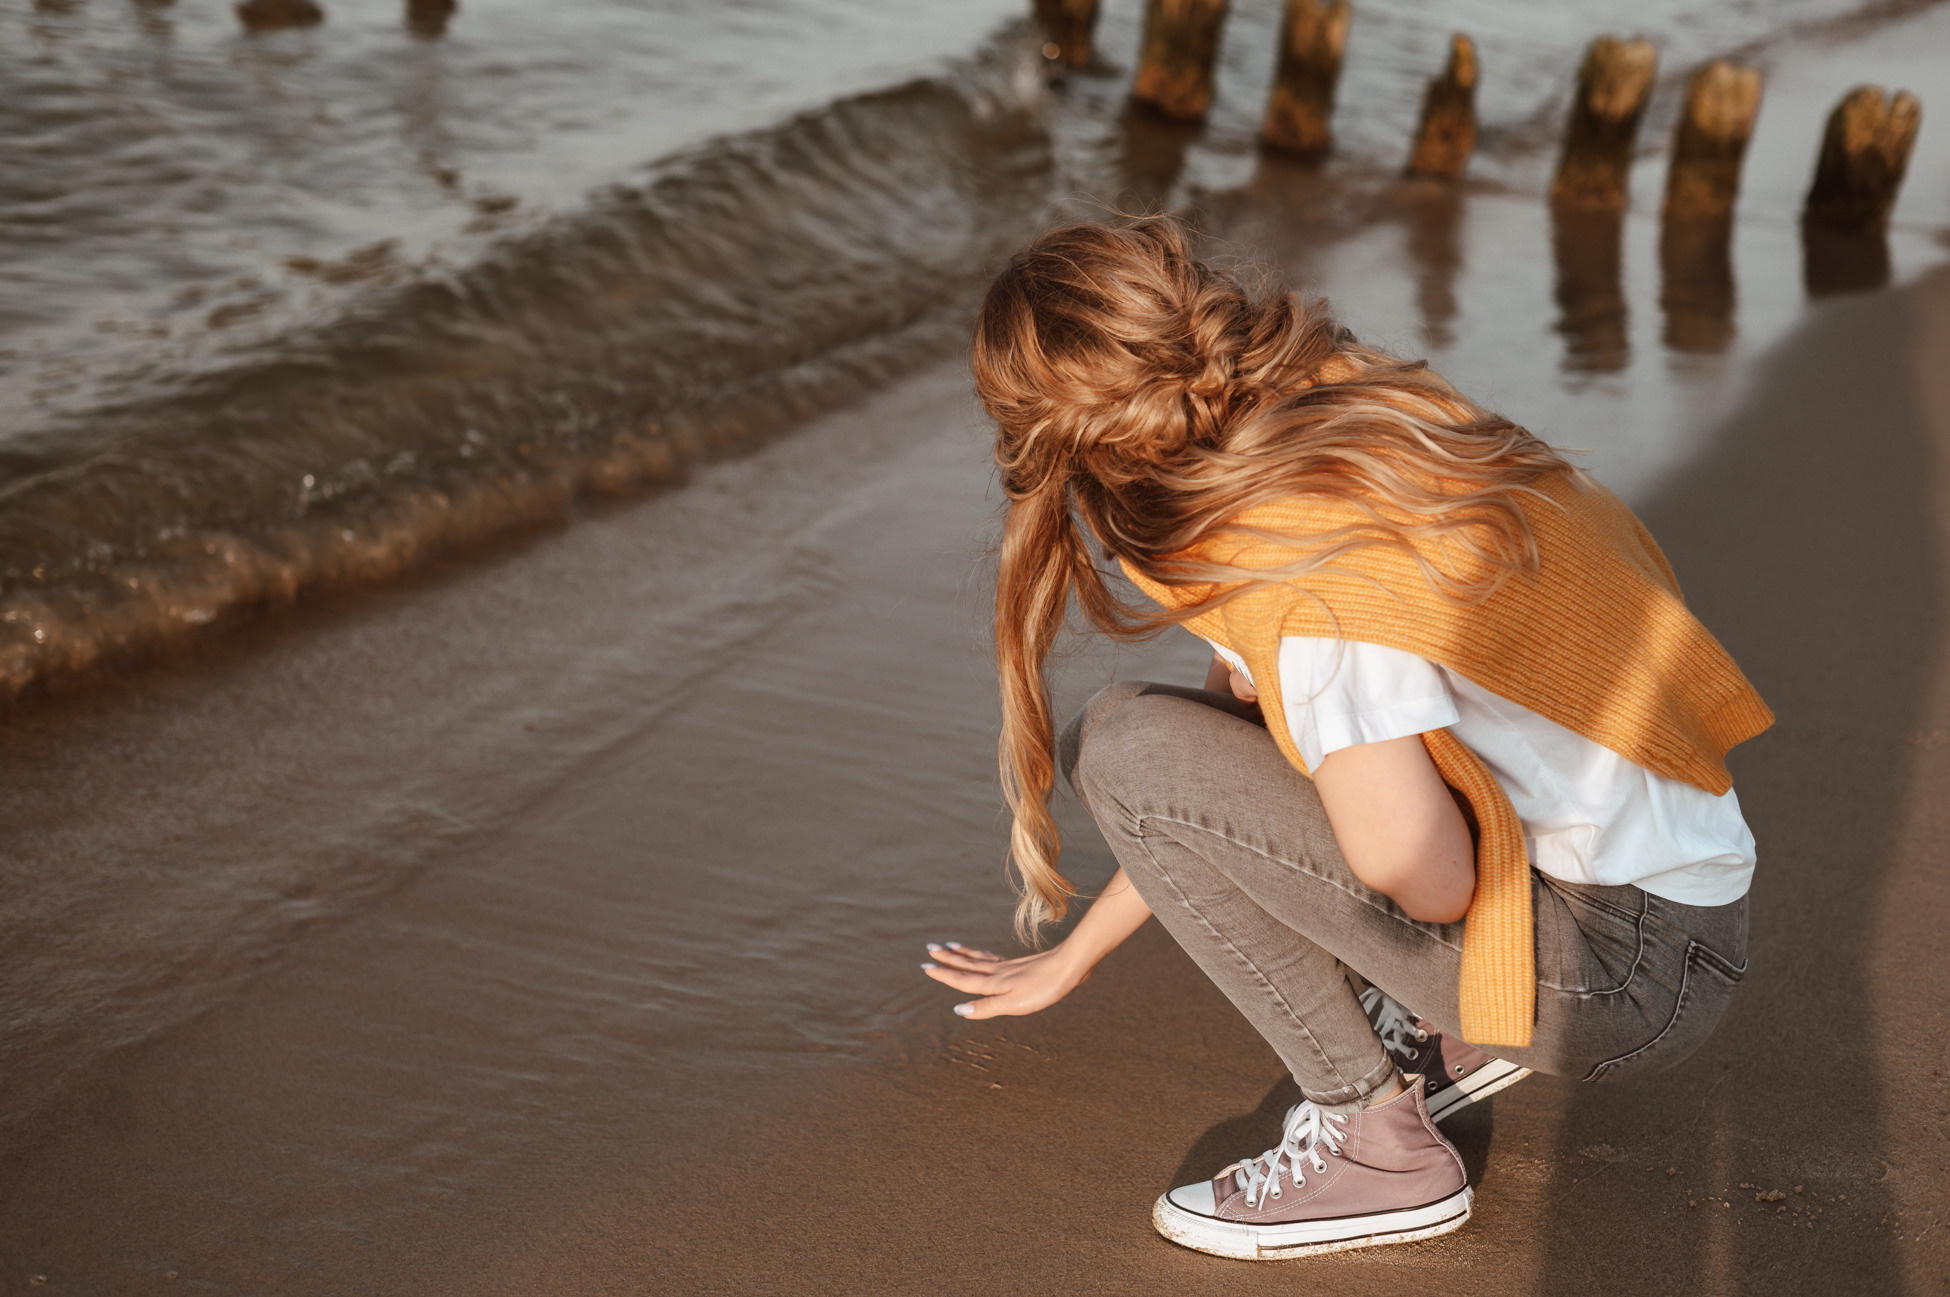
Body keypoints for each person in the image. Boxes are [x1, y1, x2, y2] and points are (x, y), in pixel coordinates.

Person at [919, 217, 1771, 1261]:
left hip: (1625, 981)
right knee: (1195, 752)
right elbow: (1225, 767)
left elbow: (1428, 878)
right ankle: (1453, 1023)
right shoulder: (1341, 405)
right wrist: (1081, 954)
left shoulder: (1305, 584)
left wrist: (1341, 799)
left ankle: (1379, 1148)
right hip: (1682, 904)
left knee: (1123, 745)